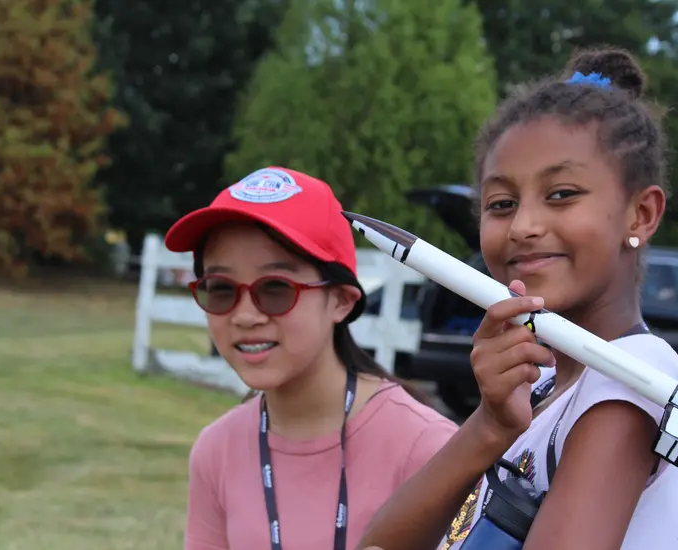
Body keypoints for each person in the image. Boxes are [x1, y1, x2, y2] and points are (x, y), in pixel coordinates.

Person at [355, 46, 678, 550]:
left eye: (562, 194)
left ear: (641, 214)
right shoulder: (543, 384)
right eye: (500, 204)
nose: (523, 227)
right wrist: (489, 426)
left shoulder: (632, 381)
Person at [164, 166, 459, 550]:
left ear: (341, 300)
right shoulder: (216, 450)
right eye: (220, 289)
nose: (245, 315)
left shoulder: (428, 448)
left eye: (275, 288)